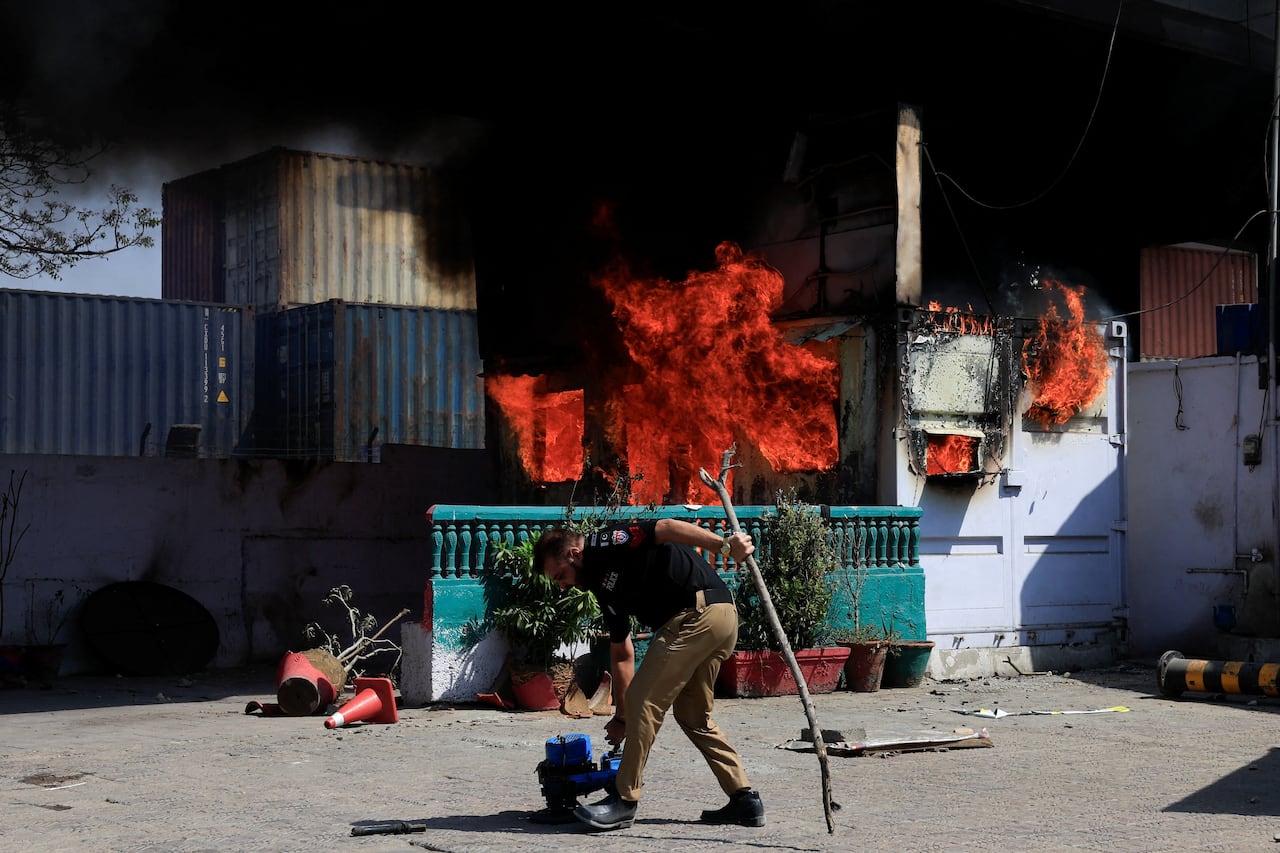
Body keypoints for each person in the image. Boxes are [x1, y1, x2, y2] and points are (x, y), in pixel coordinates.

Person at [532, 517, 766, 832]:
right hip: (718, 619)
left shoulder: (605, 542)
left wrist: (724, 546)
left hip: (696, 615)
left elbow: (666, 527)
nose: (562, 585)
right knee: (693, 716)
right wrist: (622, 719)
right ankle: (745, 799)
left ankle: (624, 801)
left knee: (644, 698)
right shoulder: (602, 588)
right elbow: (622, 653)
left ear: (574, 553)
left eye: (560, 575)